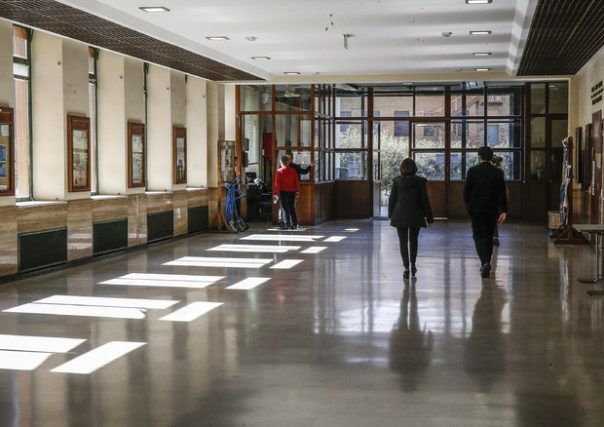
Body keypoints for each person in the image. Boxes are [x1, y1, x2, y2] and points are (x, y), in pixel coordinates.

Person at [464, 146, 508, 278]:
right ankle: (487, 262)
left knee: (477, 236)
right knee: (489, 236)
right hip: (492, 209)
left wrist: (469, 206)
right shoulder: (497, 172)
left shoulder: (472, 171)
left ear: (479, 157)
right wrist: (503, 210)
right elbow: (502, 193)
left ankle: (484, 262)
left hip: (476, 209)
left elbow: (466, 192)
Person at [388, 158, 434, 280]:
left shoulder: (397, 181)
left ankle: (406, 269)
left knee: (403, 242)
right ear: (415, 168)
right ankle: (413, 265)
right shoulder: (420, 181)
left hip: (400, 215)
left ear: (401, 168)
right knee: (414, 241)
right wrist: (429, 218)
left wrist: (390, 215)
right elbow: (424, 200)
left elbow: (392, 199)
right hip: (416, 215)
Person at [278, 152, 311, 228]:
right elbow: (277, 181)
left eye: (290, 158)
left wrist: (297, 191)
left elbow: (301, 174)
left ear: (292, 159)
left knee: (290, 208)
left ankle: (292, 223)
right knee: (284, 208)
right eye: (287, 158)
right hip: (284, 191)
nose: (288, 160)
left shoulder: (294, 168)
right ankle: (285, 223)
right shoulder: (281, 168)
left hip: (291, 191)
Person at [273, 155, 300, 229]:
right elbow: (296, 181)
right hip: (292, 192)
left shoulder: (279, 171)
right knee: (292, 208)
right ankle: (294, 224)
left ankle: (287, 224)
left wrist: (275, 193)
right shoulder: (293, 171)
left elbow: (277, 184)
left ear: (281, 161)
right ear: (288, 162)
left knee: (284, 208)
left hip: (283, 192)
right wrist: (297, 191)